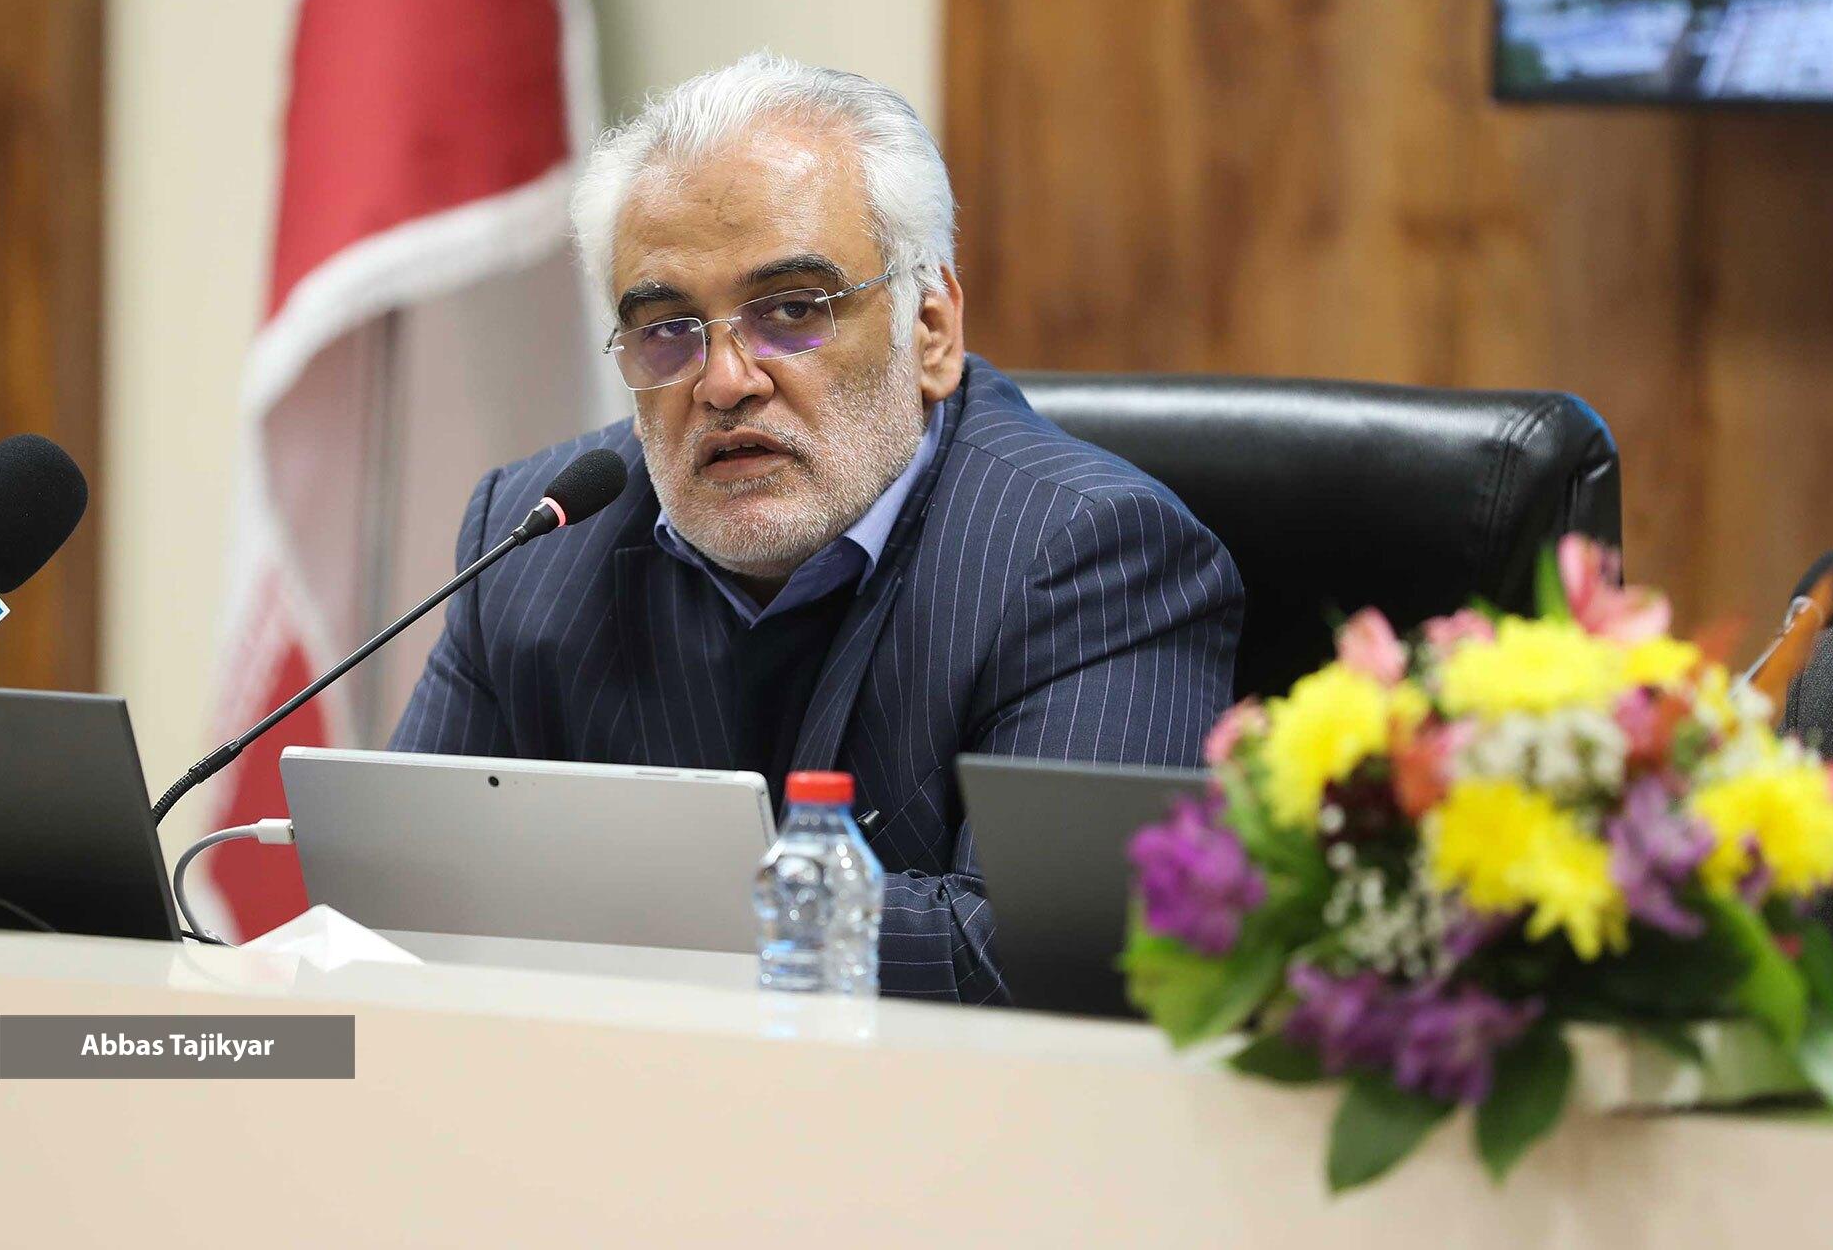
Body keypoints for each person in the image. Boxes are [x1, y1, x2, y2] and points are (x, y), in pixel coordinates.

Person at [391, 53, 1243, 1002]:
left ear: (930, 329)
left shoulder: (1094, 553)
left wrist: (585, 907)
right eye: (667, 328)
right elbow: (394, 898)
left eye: (793, 310)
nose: (724, 382)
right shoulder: (538, 539)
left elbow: (1038, 962)